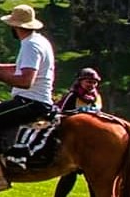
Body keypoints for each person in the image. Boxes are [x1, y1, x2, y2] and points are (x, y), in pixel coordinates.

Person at [0, 4, 55, 194]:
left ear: (16, 27)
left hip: (31, 102)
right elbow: (18, 68)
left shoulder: (30, 46)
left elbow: (26, 80)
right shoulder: (38, 41)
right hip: (38, 100)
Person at [53, 68, 103, 197]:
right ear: (80, 81)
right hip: (73, 144)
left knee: (92, 177)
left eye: (94, 82)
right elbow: (60, 114)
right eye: (88, 82)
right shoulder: (72, 96)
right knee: (69, 175)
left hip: (90, 143)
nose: (91, 85)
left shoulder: (96, 98)